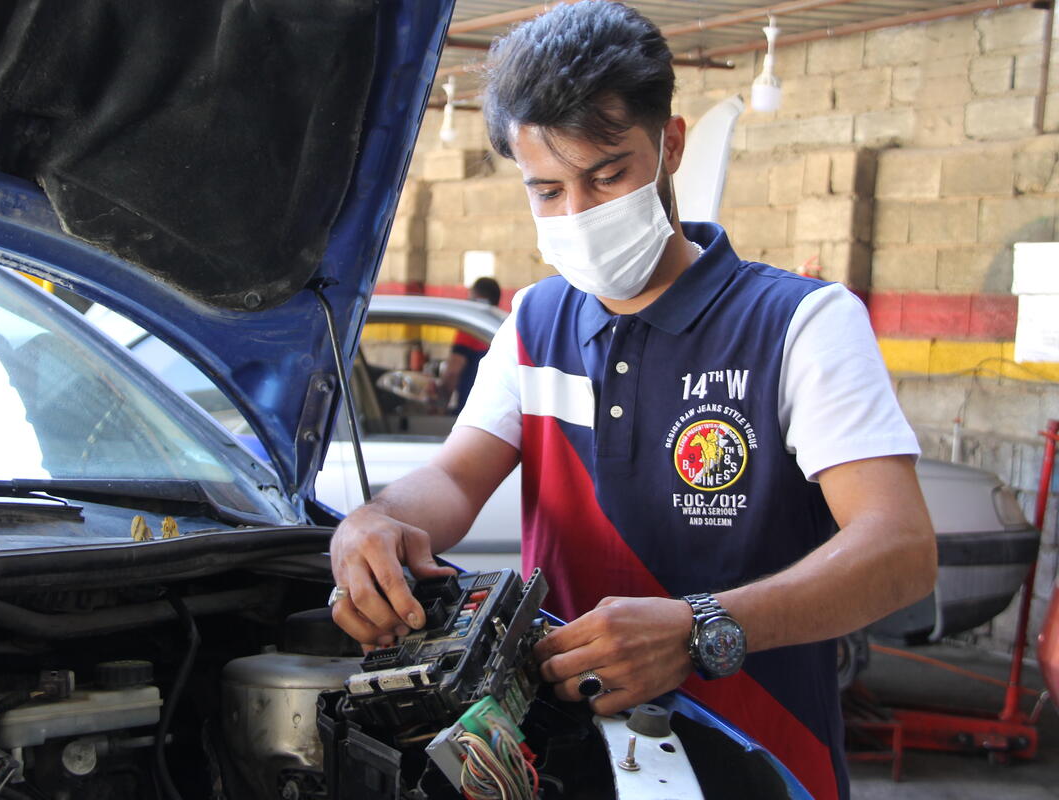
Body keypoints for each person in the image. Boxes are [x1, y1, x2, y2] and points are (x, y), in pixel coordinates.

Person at [328, 3, 936, 798]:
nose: (578, 214)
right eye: (547, 190)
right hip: (565, 764)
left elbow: (900, 551)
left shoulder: (801, 326)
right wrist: (378, 522)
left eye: (607, 174)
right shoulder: (534, 326)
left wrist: (701, 630)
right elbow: (453, 478)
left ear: (670, 146)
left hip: (759, 761)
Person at [435, 277, 501, 412]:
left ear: (475, 297)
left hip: (471, 410)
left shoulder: (470, 329)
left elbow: (453, 371)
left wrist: (440, 405)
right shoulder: (502, 327)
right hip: (497, 411)